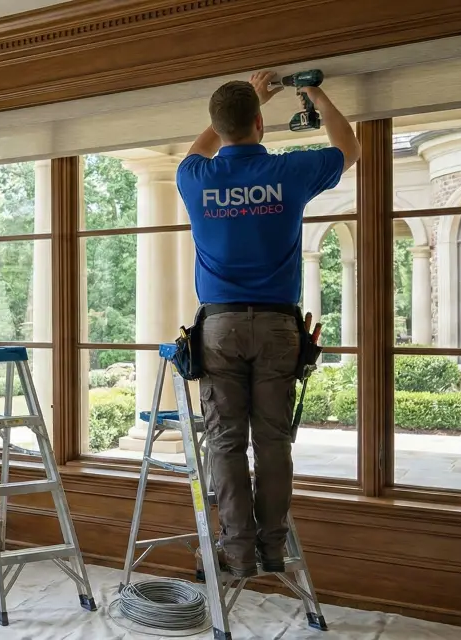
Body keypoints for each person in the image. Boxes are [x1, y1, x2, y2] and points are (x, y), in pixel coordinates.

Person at [175, 70, 359, 577]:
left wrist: (253, 97)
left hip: (220, 328)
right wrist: (316, 93)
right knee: (273, 441)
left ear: (219, 127)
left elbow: (199, 148)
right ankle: (273, 550)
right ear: (260, 124)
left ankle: (237, 553)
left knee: (226, 443)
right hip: (279, 327)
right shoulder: (289, 172)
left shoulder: (195, 177)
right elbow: (349, 148)